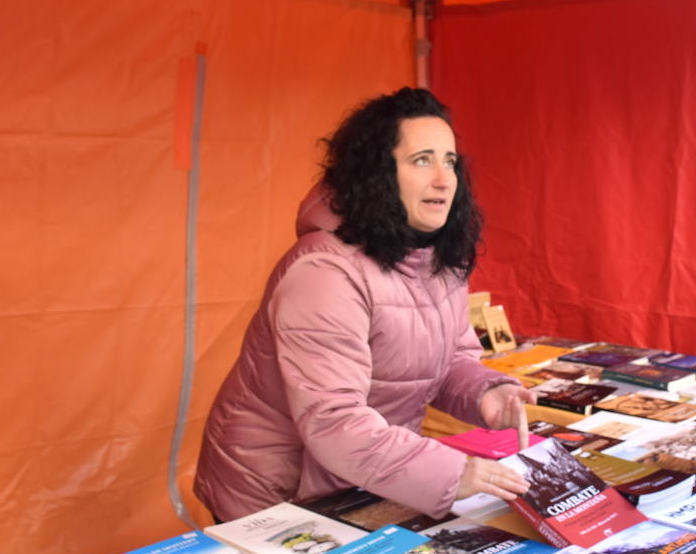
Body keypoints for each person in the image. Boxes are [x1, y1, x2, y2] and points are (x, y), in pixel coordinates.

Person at [194, 87, 531, 523]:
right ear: (378, 175)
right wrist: (452, 474)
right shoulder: (324, 272)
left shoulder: (439, 259)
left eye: (450, 161)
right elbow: (334, 421)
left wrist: (486, 392)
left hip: (358, 478)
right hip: (278, 492)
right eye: (421, 160)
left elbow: (446, 362)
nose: (445, 179)